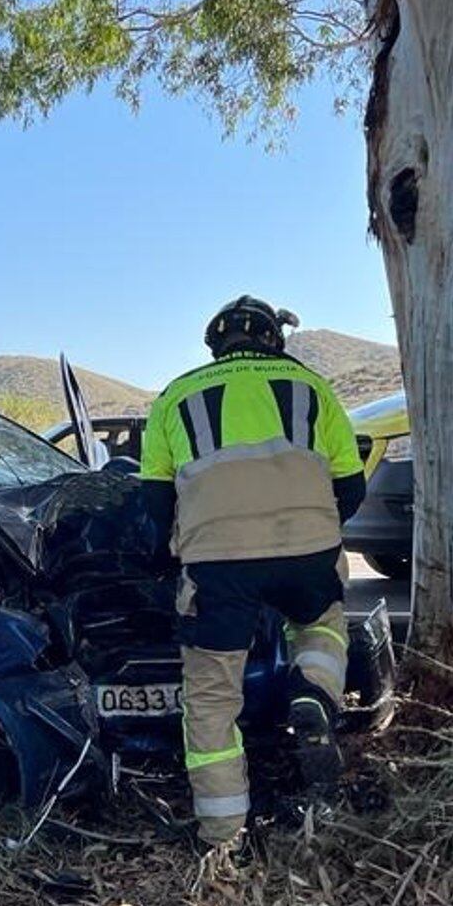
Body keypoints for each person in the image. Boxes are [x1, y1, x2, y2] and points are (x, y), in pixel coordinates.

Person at [139, 295, 367, 847]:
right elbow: (352, 486)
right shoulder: (311, 387)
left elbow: (152, 500)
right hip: (306, 551)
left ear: (215, 346)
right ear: (275, 339)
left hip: (217, 563)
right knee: (321, 623)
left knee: (212, 697)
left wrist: (171, 550)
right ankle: (312, 690)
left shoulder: (175, 395)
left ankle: (223, 837)